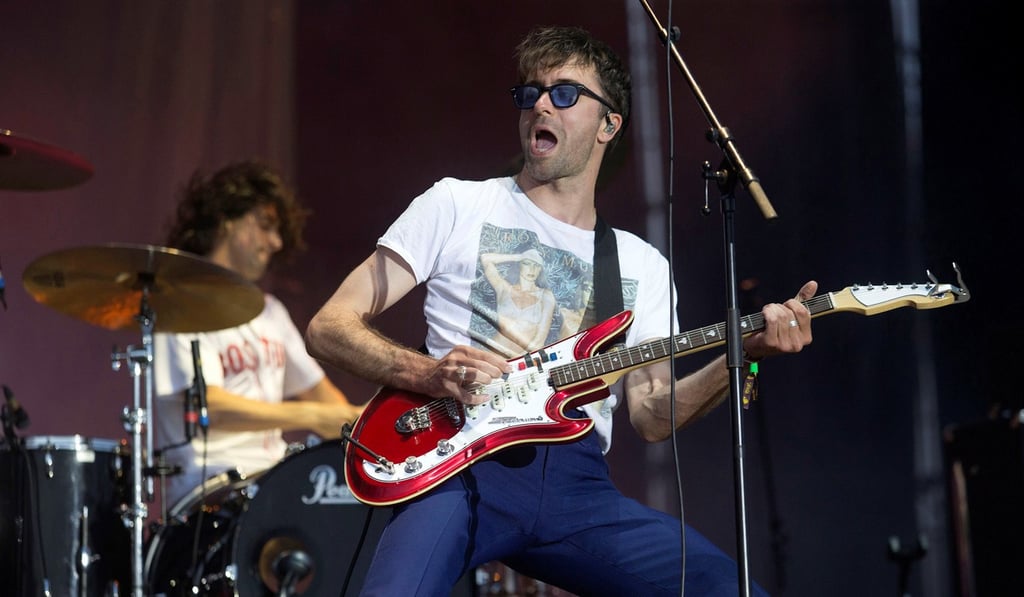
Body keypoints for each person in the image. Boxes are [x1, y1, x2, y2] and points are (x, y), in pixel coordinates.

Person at [305, 26, 815, 596]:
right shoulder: (457, 203)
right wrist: (427, 372)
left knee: (725, 587)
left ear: (609, 124)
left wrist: (742, 358)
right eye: (531, 93)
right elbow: (329, 326)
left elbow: (651, 415)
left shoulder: (639, 265)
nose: (541, 104)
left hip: (577, 488)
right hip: (458, 467)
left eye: (565, 93)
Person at [152, 160, 363, 507]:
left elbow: (321, 394)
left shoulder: (271, 311)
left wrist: (361, 424)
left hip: (273, 476)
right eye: (265, 226)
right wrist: (312, 416)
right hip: (208, 490)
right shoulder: (180, 306)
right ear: (226, 221)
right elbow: (208, 407)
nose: (277, 242)